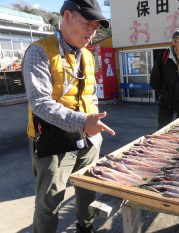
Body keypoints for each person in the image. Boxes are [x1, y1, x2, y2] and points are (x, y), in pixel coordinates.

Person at [22, 0, 115, 232]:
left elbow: (91, 96)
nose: (92, 32)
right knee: (49, 203)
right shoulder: (39, 51)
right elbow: (41, 103)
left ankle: (86, 228)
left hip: (89, 140)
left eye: (95, 27)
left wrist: (93, 124)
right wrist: (83, 121)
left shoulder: (88, 55)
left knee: (87, 193)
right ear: (67, 16)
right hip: (52, 143)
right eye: (87, 24)